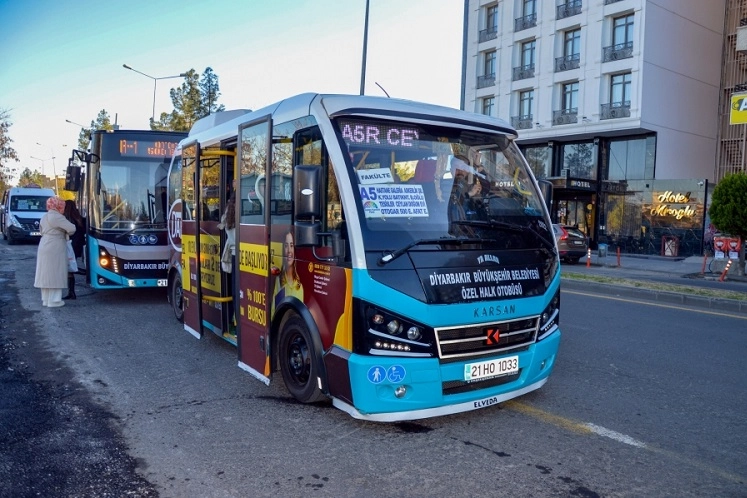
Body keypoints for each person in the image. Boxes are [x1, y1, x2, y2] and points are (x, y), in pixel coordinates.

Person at [34, 196, 76, 308]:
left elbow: (41, 230)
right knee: (56, 273)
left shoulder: (45, 216)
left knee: (45, 273)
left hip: (44, 244)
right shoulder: (57, 217)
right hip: (56, 245)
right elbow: (72, 228)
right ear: (59, 206)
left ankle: (46, 299)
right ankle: (54, 300)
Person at [272, 230, 304, 315]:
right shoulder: (279, 280)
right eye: (286, 246)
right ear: (283, 249)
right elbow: (273, 312)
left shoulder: (299, 286)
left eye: (292, 245)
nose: (289, 251)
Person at [63, 200, 85, 299]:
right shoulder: (79, 218)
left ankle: (71, 292)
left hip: (68, 246)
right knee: (71, 267)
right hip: (77, 246)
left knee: (69, 269)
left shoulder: (66, 218)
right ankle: (71, 292)